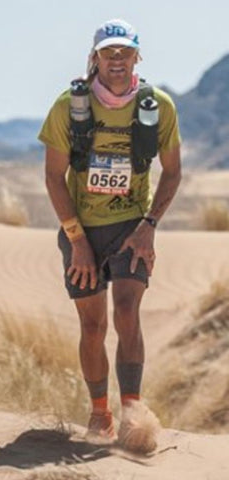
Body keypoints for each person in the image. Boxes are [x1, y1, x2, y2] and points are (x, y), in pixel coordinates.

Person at [39, 19, 181, 450]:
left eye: (124, 53)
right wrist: (77, 241)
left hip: (132, 225)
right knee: (93, 324)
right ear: (95, 57)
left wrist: (148, 227)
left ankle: (133, 411)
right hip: (81, 227)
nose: (116, 61)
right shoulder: (68, 105)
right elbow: (52, 177)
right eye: (108, 53)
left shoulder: (160, 107)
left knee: (126, 312)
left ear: (137, 57)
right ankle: (99, 411)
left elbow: (172, 173)